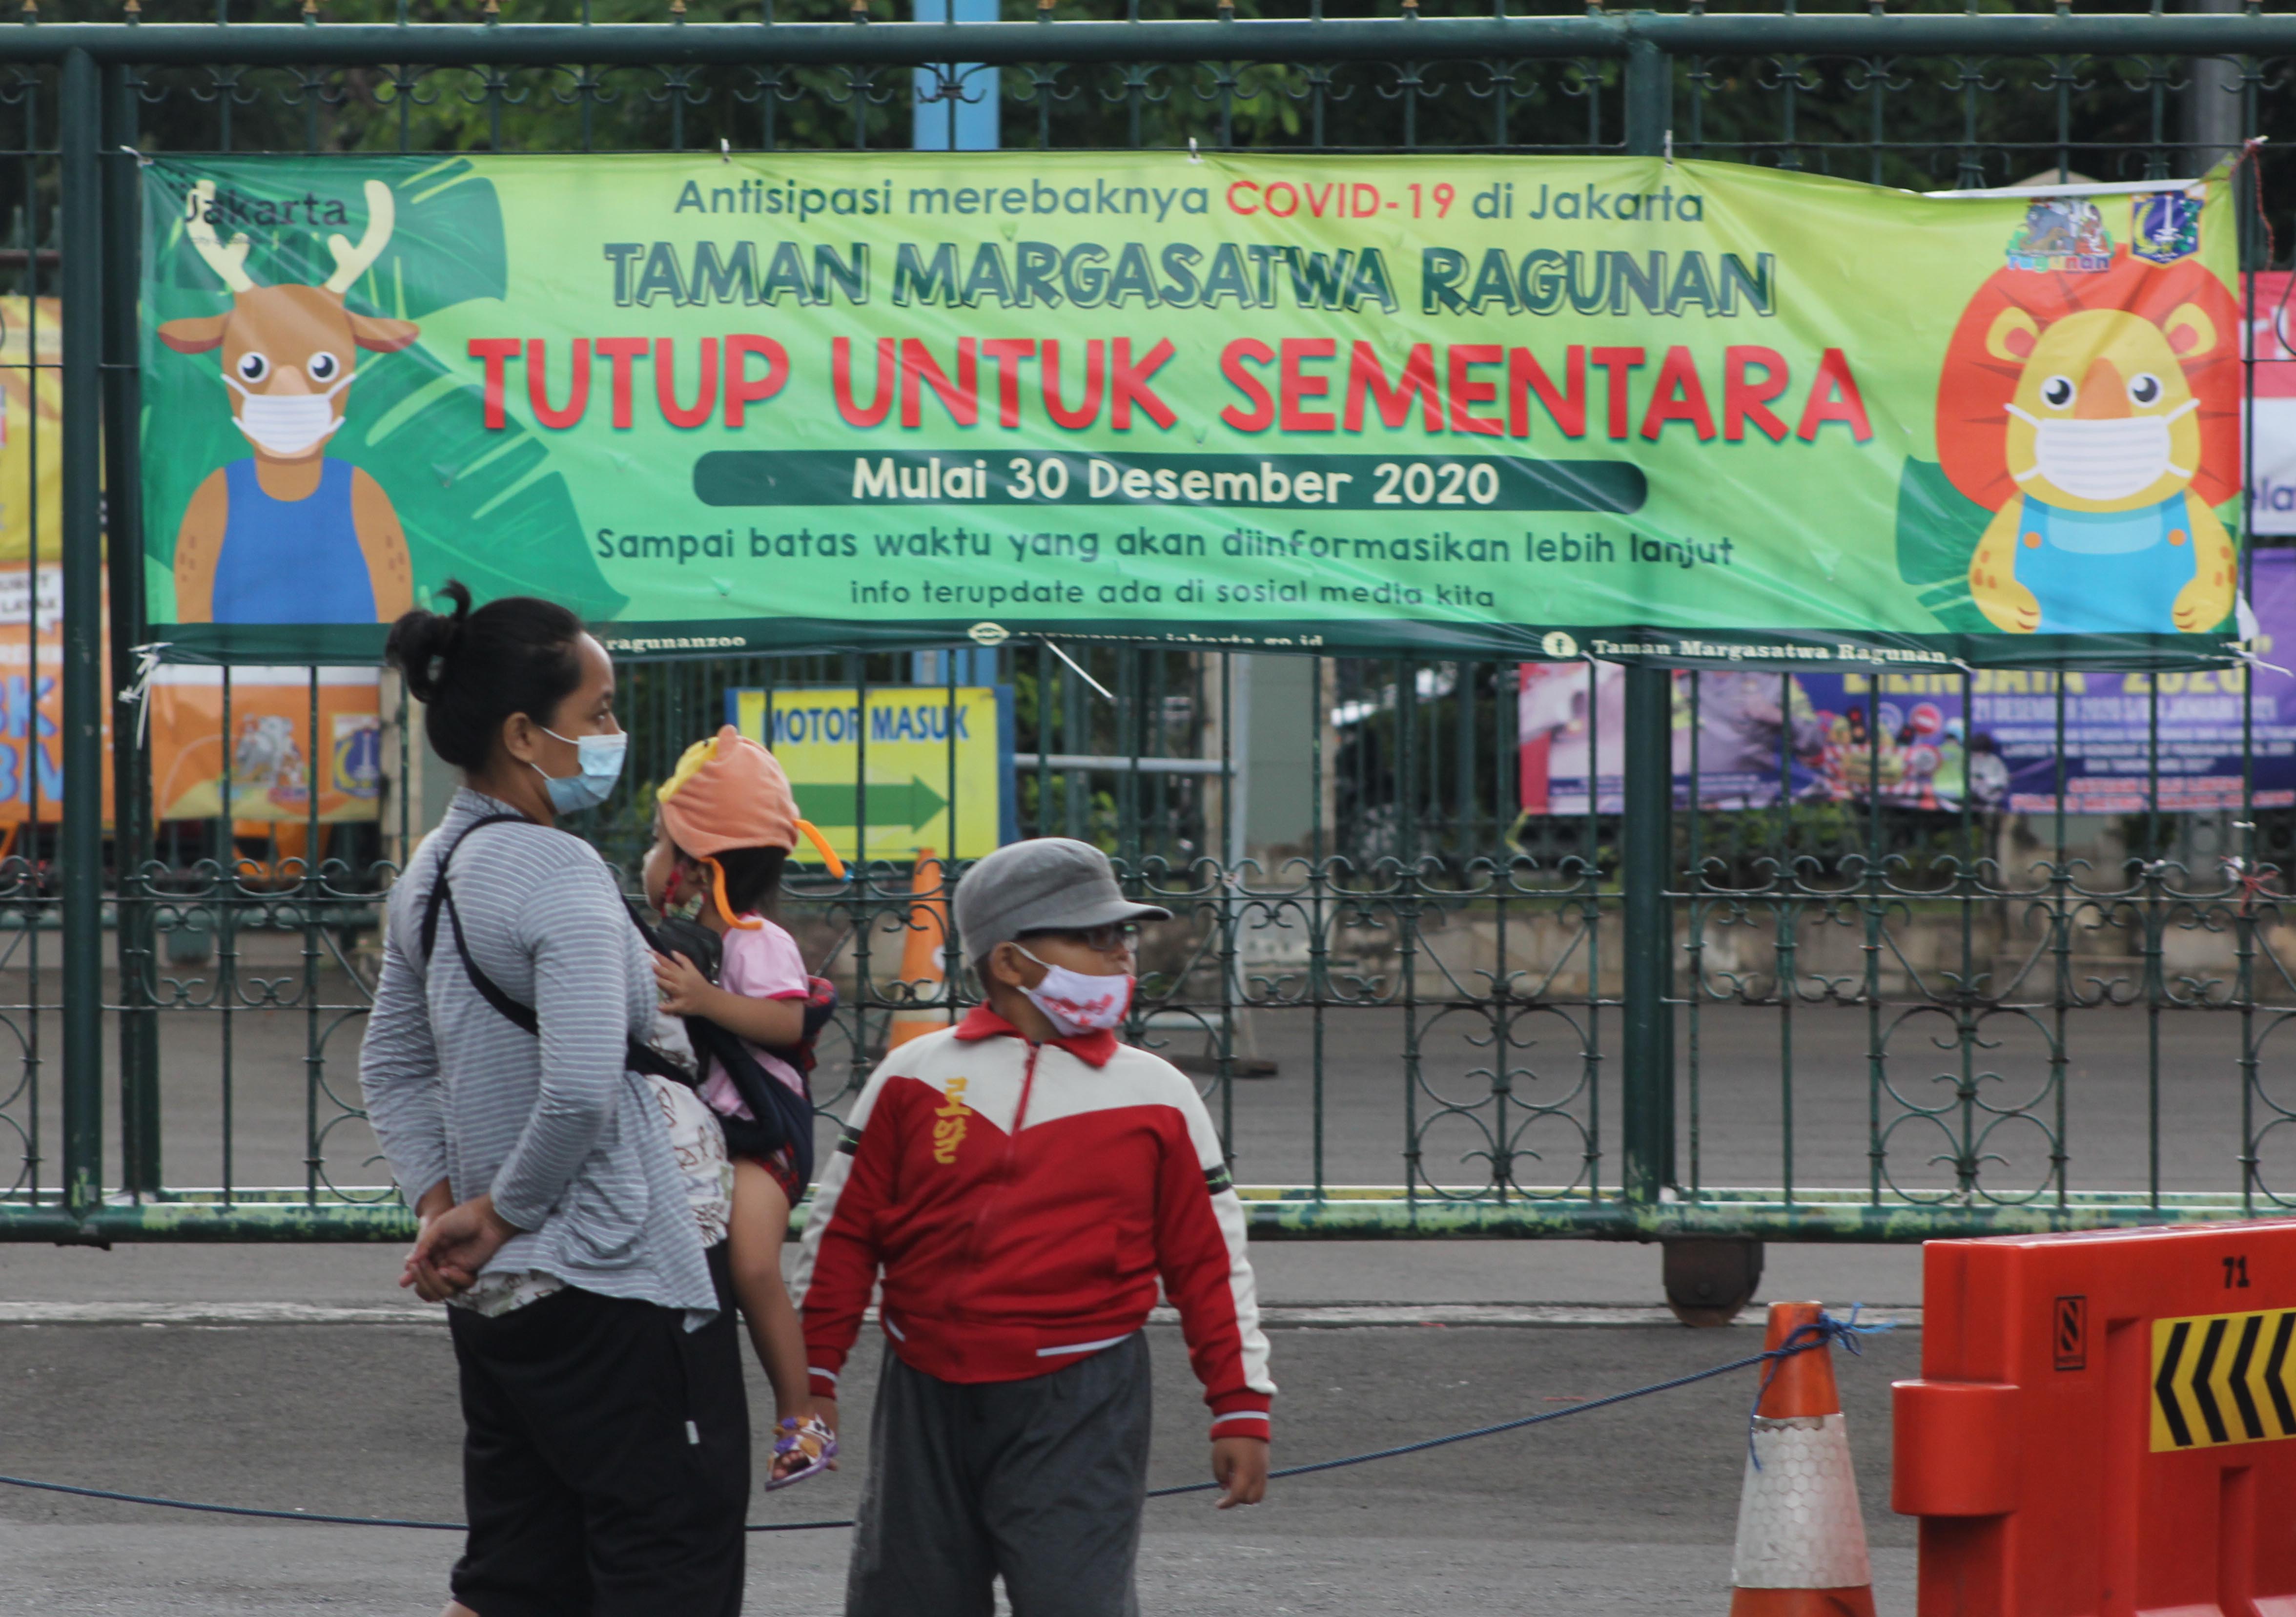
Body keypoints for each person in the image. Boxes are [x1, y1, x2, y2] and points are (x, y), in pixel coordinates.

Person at [359, 582, 748, 1617]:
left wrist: (447, 1209)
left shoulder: (430, 872)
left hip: (505, 1300)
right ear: (526, 735)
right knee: (667, 1551)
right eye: (601, 714)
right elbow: (579, 1087)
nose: (615, 735)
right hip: (614, 1272)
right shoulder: (555, 871)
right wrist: (500, 1215)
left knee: (519, 1571)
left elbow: (389, 1068)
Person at [796, 836, 1275, 1617]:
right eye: (1094, 937)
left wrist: (1240, 1404)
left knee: (1074, 1599)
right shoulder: (915, 1077)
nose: (1123, 953)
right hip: (923, 1394)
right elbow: (845, 1233)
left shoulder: (1158, 1093)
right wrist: (813, 1380)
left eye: (1122, 934)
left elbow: (1209, 1263)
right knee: (909, 1599)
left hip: (1083, 1397)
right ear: (1011, 963)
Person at [643, 724, 838, 1489]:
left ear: (697, 869)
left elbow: (788, 1024)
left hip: (764, 1139)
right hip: (715, 1137)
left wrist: (707, 1000)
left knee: (755, 1267)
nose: (649, 859)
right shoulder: (686, 941)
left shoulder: (759, 942)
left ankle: (806, 1419)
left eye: (661, 843)